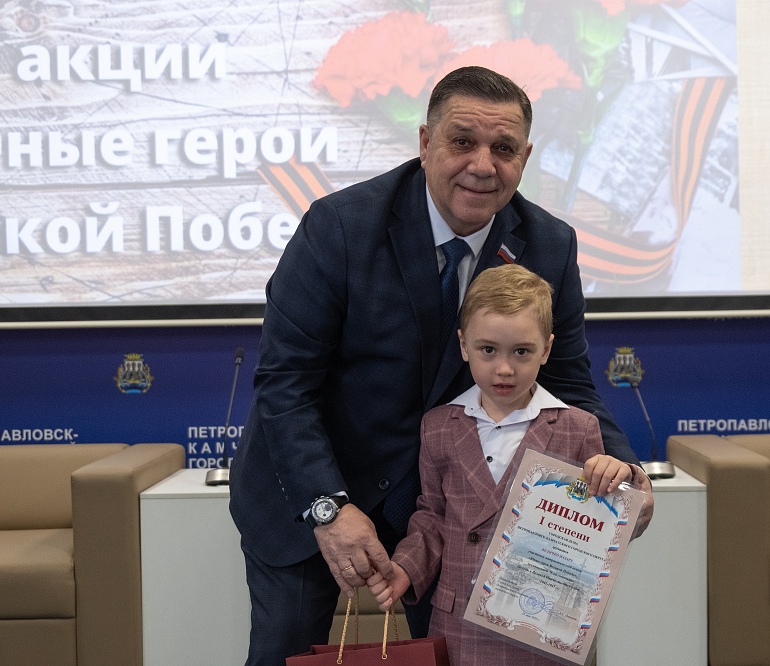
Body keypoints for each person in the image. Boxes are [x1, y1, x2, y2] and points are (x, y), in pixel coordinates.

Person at [228, 65, 654, 666]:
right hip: (310, 497)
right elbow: (285, 384)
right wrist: (328, 507)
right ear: (426, 143)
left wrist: (627, 473)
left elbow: (568, 381)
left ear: (525, 157)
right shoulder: (340, 227)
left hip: (446, 511)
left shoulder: (549, 244)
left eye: (503, 148)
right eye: (462, 141)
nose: (483, 164)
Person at [367, 264, 634, 665]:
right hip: (457, 623)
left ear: (546, 349)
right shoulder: (438, 426)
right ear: (464, 345)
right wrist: (405, 568)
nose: (504, 368)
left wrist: (615, 476)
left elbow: (598, 524)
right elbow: (432, 517)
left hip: (541, 625)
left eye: (521, 351)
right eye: (488, 350)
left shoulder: (578, 429)